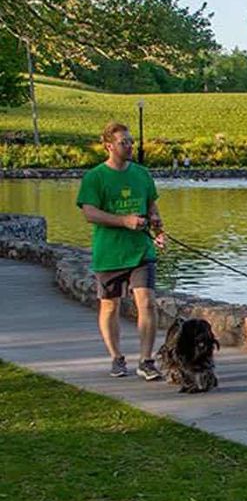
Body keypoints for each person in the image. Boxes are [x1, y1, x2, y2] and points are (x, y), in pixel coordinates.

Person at [77, 121, 166, 380]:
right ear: (108, 146)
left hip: (140, 250)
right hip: (109, 252)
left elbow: (152, 207)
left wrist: (158, 229)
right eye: (123, 142)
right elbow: (89, 213)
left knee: (147, 303)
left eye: (130, 141)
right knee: (109, 307)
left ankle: (146, 361)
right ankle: (116, 357)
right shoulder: (95, 177)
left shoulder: (142, 174)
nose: (129, 146)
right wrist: (124, 221)